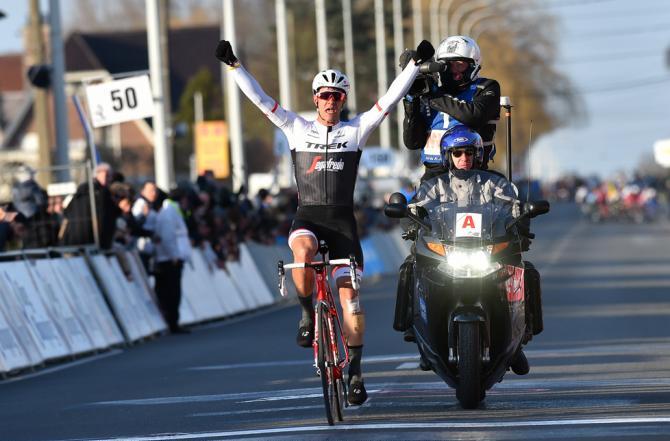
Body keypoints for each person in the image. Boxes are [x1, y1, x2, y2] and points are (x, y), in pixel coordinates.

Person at [215, 38, 435, 405]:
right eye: (325, 96)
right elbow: (259, 100)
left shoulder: (356, 131)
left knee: (351, 304)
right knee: (302, 253)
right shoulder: (295, 128)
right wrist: (235, 66)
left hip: (343, 226)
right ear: (315, 98)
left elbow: (390, 101)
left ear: (343, 101)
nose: (331, 102)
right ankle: (305, 316)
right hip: (309, 218)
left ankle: (356, 373)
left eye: (337, 96)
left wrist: (414, 66)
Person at [398, 125, 536, 375]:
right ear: (447, 156)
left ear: (478, 155)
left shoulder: (496, 184)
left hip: (487, 252)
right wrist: (409, 222)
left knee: (528, 271)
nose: (464, 159)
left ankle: (519, 339)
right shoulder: (434, 186)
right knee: (409, 268)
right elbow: (416, 209)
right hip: (447, 254)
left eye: (469, 153)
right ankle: (416, 330)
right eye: (458, 153)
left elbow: (514, 207)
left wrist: (522, 223)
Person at [402, 35, 501, 181]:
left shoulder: (486, 87)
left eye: (460, 65)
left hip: (473, 177)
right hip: (433, 179)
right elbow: (412, 142)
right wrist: (412, 101)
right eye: (448, 65)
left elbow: (474, 116)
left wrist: (435, 96)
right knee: (403, 203)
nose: (454, 71)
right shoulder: (428, 91)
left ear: (474, 64)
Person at [154, 187, 193, 334]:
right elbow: (168, 236)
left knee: (172, 292)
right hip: (170, 259)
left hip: (171, 257)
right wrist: (174, 255)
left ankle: (173, 321)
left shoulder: (172, 212)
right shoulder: (170, 213)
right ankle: (172, 322)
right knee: (172, 292)